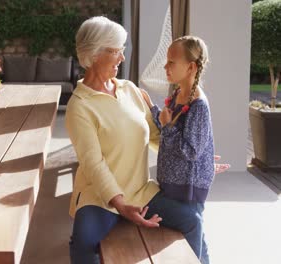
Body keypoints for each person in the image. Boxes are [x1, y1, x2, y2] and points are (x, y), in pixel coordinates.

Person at [65, 16, 219, 264]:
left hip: (141, 191)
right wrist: (121, 205)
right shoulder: (79, 107)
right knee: (83, 242)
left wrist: (198, 160)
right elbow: (93, 164)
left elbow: (159, 136)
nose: (122, 58)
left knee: (192, 220)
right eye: (116, 51)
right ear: (94, 54)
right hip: (99, 198)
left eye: (122, 51)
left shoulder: (130, 90)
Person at [140, 35, 218, 264]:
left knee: (193, 235)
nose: (165, 66)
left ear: (191, 67)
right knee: (196, 234)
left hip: (188, 188)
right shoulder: (177, 95)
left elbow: (191, 150)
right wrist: (152, 108)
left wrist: (165, 125)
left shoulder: (198, 105)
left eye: (171, 62)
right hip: (173, 183)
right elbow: (168, 127)